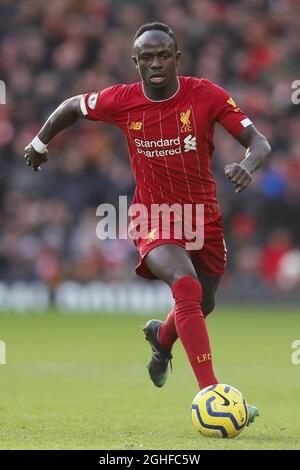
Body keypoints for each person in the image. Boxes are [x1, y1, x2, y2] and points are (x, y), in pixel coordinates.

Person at [24, 22, 270, 424]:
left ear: (177, 59)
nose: (156, 63)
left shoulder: (205, 94)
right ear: (136, 63)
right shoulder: (122, 101)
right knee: (185, 286)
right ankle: (214, 394)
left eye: (163, 55)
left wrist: (247, 165)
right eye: (147, 58)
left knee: (203, 303)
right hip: (153, 218)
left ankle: (162, 337)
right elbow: (72, 105)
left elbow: (259, 142)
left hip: (202, 218)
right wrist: (39, 142)